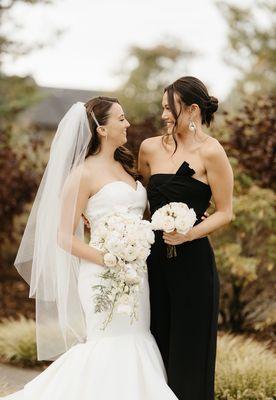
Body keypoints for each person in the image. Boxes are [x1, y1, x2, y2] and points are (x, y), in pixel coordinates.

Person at [3, 96, 178, 400]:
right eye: (121, 119)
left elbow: (142, 214)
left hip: (136, 274)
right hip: (101, 273)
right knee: (108, 342)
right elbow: (63, 236)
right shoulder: (81, 174)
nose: (128, 124)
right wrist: (108, 258)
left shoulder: (127, 165)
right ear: (101, 129)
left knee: (137, 337)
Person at [138, 76, 233, 400]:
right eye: (163, 107)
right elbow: (138, 199)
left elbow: (225, 211)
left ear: (192, 110)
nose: (164, 114)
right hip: (153, 264)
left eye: (170, 108)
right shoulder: (148, 148)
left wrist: (189, 233)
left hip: (194, 267)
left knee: (191, 353)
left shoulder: (212, 152)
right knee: (155, 342)